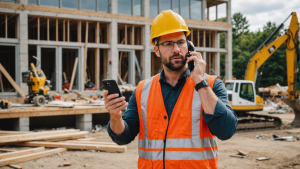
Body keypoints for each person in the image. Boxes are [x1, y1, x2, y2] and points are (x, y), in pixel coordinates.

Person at [104, 10, 237, 169]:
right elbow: (122, 138)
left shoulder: (211, 84)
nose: (176, 49)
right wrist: (116, 117)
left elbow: (226, 131)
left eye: (181, 42)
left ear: (189, 46)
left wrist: (200, 82)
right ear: (156, 50)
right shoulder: (142, 90)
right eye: (168, 44)